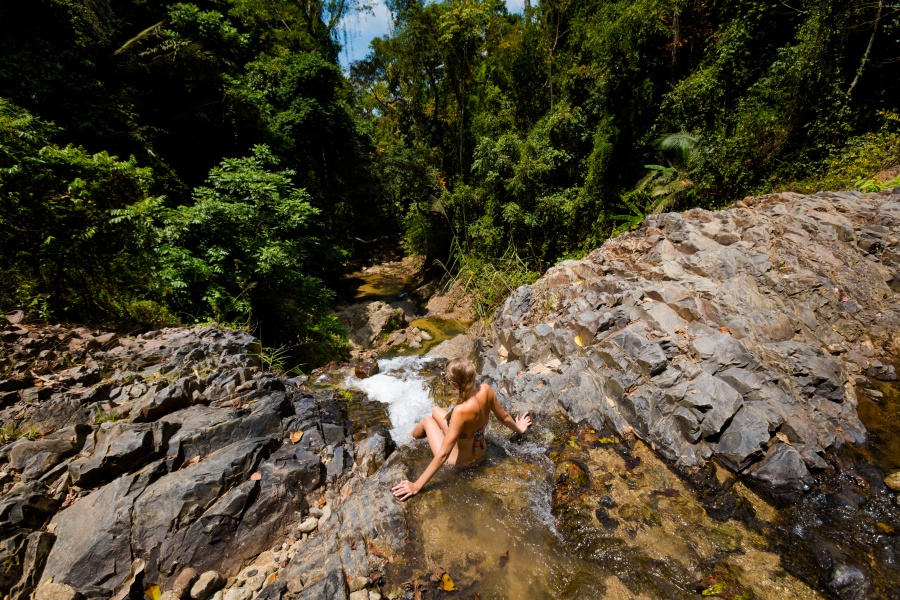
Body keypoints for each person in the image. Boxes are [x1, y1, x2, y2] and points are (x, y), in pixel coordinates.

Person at [391, 357, 532, 501]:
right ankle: (413, 434)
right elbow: (505, 417)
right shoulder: (486, 390)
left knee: (428, 420)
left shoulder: (460, 411)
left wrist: (416, 485)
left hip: (456, 461)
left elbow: (444, 454)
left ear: (454, 384)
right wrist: (519, 429)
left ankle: (408, 437)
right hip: (479, 451)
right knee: (435, 410)